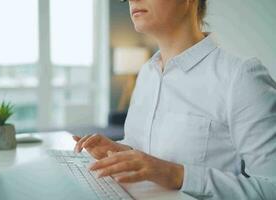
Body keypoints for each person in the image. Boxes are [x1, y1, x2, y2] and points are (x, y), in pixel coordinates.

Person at [73, 0, 276, 199]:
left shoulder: (240, 77)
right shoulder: (147, 72)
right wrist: (121, 151)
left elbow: (272, 187)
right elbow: (147, 153)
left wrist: (178, 175)